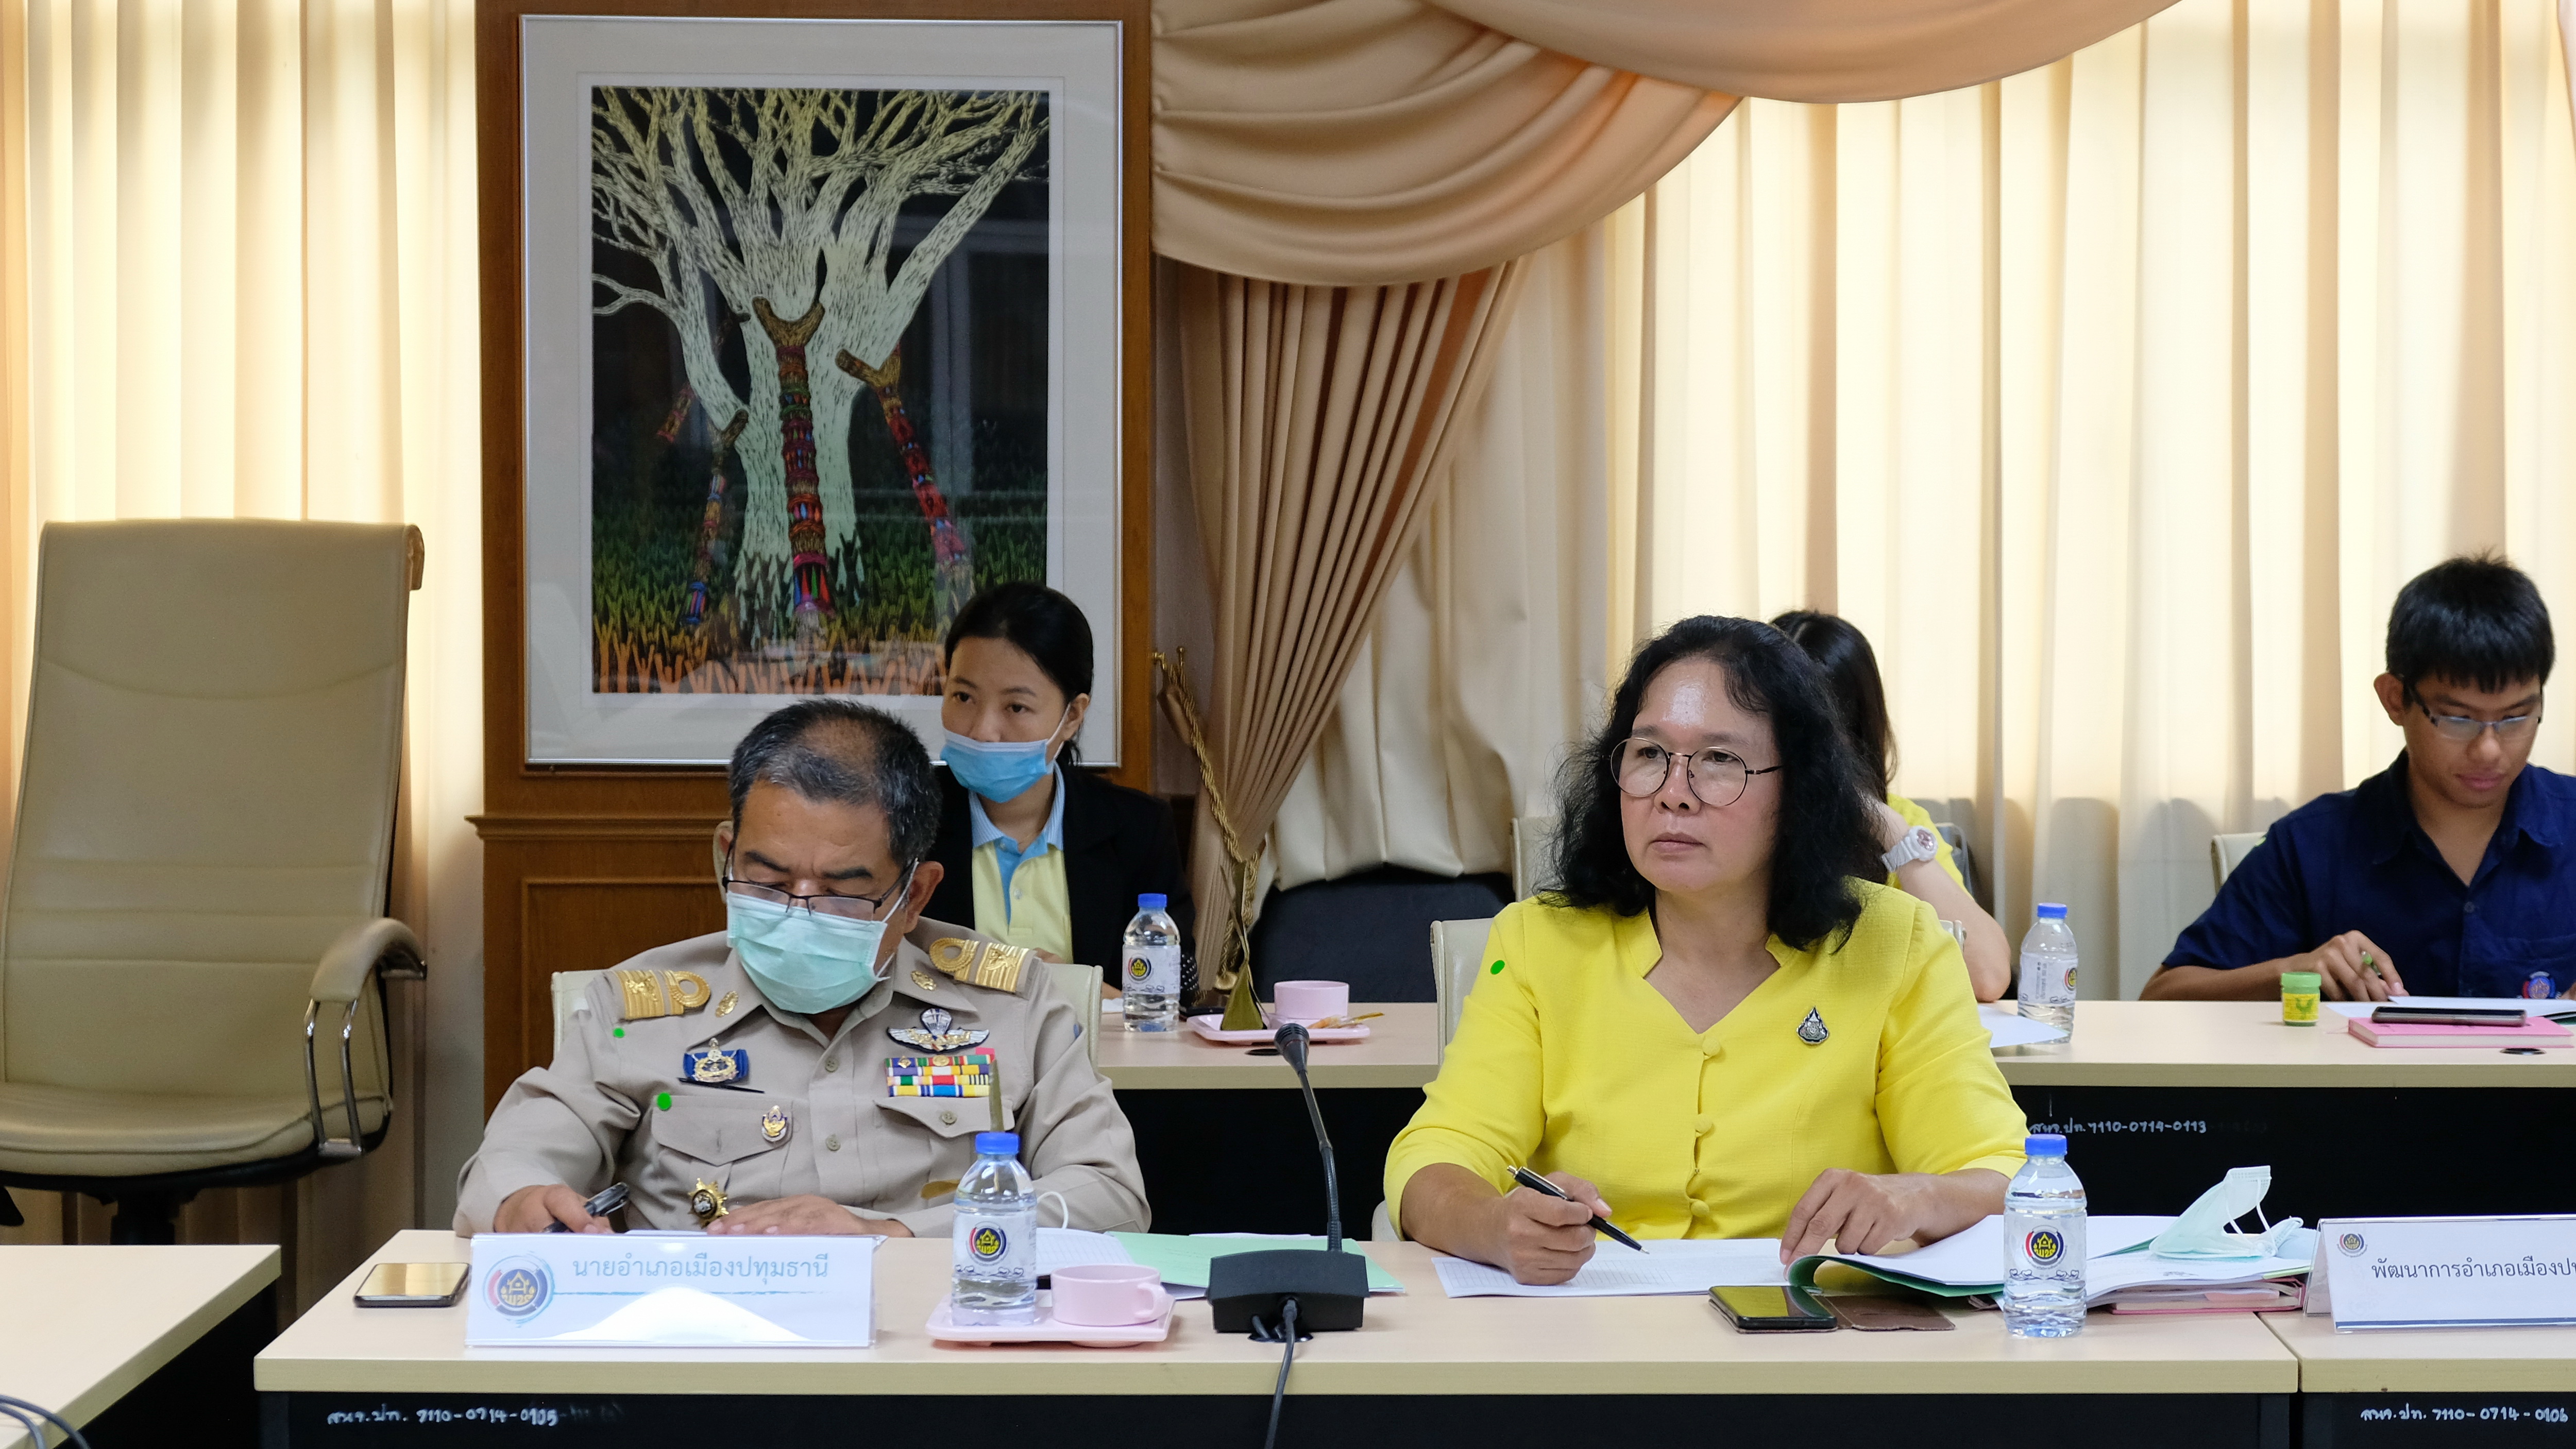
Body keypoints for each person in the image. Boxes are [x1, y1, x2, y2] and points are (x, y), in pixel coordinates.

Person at [1383, 616, 2028, 1285]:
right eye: (1650, 754)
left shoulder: (1897, 945)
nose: (1673, 792)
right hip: (1586, 1337)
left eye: (1720, 760)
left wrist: (1917, 1197)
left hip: (1817, 1343)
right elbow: (1436, 1155)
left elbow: (2005, 1175)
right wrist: (1495, 1226)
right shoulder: (1535, 942)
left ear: (1799, 788)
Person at [455, 699, 1149, 1235]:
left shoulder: (1011, 1003)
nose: (797, 910)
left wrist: (897, 1234)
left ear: (915, 894)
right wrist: (525, 1200)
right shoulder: (639, 1012)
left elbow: (1109, 1196)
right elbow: (511, 1162)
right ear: (725, 855)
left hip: (938, 1360)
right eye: (766, 878)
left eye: (843, 890)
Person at [2149, 553, 2570, 1002]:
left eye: (2516, 717)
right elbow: (2161, 999)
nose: (2489, 749)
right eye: (2457, 718)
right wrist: (2293, 970)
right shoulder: (2312, 845)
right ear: (2395, 699)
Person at [925, 583, 1192, 981]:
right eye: (964, 697)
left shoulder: (1137, 829)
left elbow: (1171, 995)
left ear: (1071, 716)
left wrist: (1068, 986)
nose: (983, 730)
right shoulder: (903, 817)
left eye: (1016, 706)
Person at [1773, 610, 2012, 1001]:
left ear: (1856, 733)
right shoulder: (1730, 816)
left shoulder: (1898, 822)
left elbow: (1987, 976)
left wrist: (1889, 831)